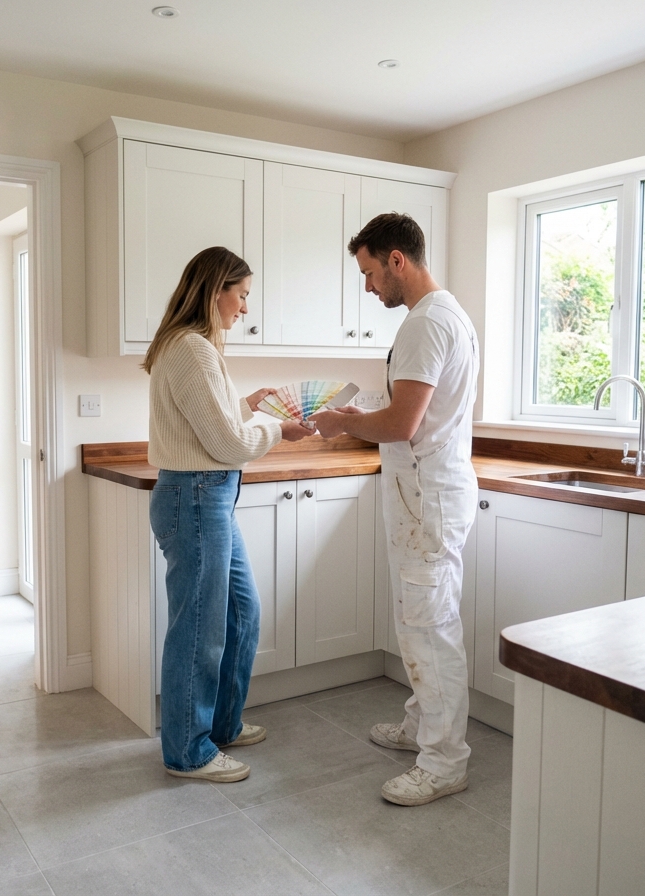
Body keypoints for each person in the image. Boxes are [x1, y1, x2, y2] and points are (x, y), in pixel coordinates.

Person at [311, 213, 479, 806]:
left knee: (430, 628)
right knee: (418, 619)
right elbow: (413, 415)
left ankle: (444, 761)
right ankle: (420, 725)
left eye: (369, 272)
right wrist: (363, 421)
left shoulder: (425, 324)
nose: (367, 286)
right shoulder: (445, 315)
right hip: (427, 493)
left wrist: (341, 425)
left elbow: (404, 424)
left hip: (426, 498)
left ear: (397, 260)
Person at [144, 245, 314, 783]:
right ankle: (187, 752)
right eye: (240, 295)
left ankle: (219, 725)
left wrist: (247, 406)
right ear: (215, 290)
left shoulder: (187, 346)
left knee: (242, 612)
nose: (244, 307)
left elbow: (207, 423)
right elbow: (227, 443)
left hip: (204, 496)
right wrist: (279, 429)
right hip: (196, 497)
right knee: (198, 629)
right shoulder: (191, 349)